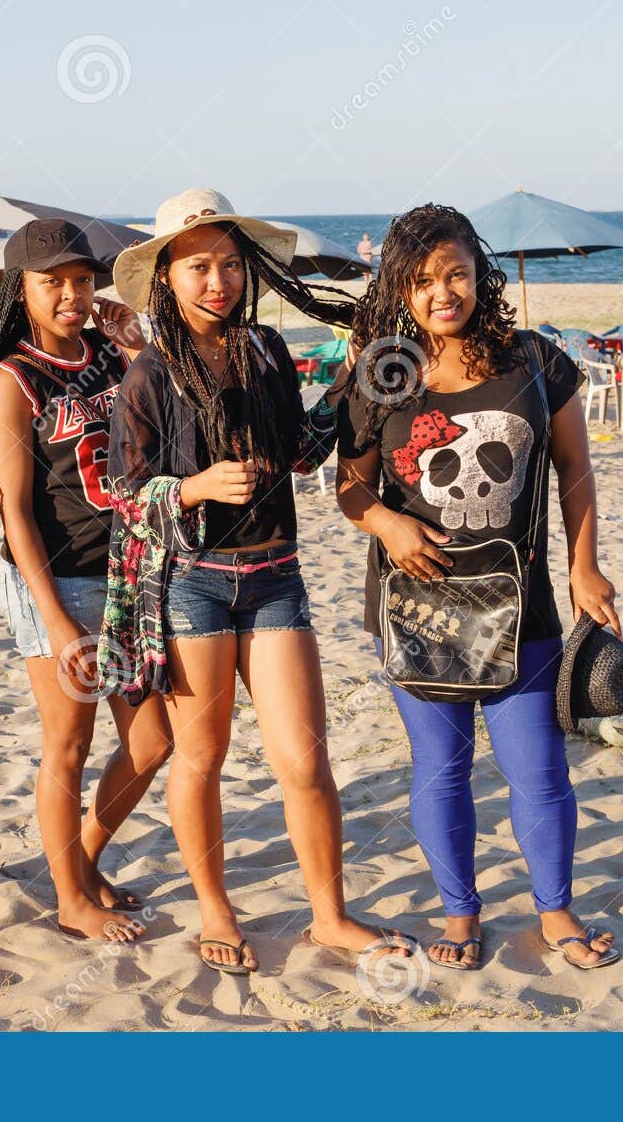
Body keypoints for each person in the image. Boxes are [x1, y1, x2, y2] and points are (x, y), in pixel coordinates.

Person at [103, 188, 415, 975]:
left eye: (232, 265)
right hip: (194, 586)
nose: (219, 281)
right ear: (166, 279)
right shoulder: (148, 374)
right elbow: (124, 494)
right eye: (199, 266)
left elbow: (305, 451)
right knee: (199, 758)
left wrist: (353, 377)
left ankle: (330, 914)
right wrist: (197, 486)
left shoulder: (270, 351)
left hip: (276, 578)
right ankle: (215, 908)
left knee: (306, 761)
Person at [336, 204, 623, 973]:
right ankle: (460, 914)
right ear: (400, 288)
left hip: (520, 607)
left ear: (479, 272)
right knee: (442, 768)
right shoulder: (380, 371)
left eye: (455, 273)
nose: (442, 292)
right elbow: (350, 488)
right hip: (414, 606)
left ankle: (555, 909)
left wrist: (583, 564)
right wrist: (388, 528)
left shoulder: (535, 360)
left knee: (539, 768)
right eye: (423, 280)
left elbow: (576, 473)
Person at [0, 219, 171, 945]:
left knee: (152, 742)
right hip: (53, 582)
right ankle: (70, 898)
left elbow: (170, 425)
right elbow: (14, 512)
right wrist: (54, 622)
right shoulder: (11, 380)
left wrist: (137, 343)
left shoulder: (110, 358)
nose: (71, 294)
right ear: (20, 291)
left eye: (82, 280)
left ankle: (79, 859)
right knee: (70, 745)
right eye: (53, 282)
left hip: (123, 577)